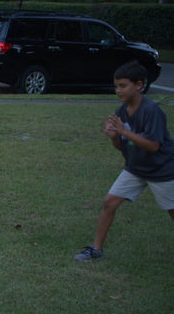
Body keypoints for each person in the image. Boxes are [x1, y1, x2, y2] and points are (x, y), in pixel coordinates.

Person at [74, 61, 174, 262]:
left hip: (161, 171)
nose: (118, 90)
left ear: (139, 85)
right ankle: (96, 249)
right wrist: (113, 136)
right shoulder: (121, 112)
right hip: (135, 169)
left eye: (123, 85)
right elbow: (122, 146)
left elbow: (153, 145)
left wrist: (123, 131)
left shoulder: (151, 110)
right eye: (116, 86)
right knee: (109, 202)